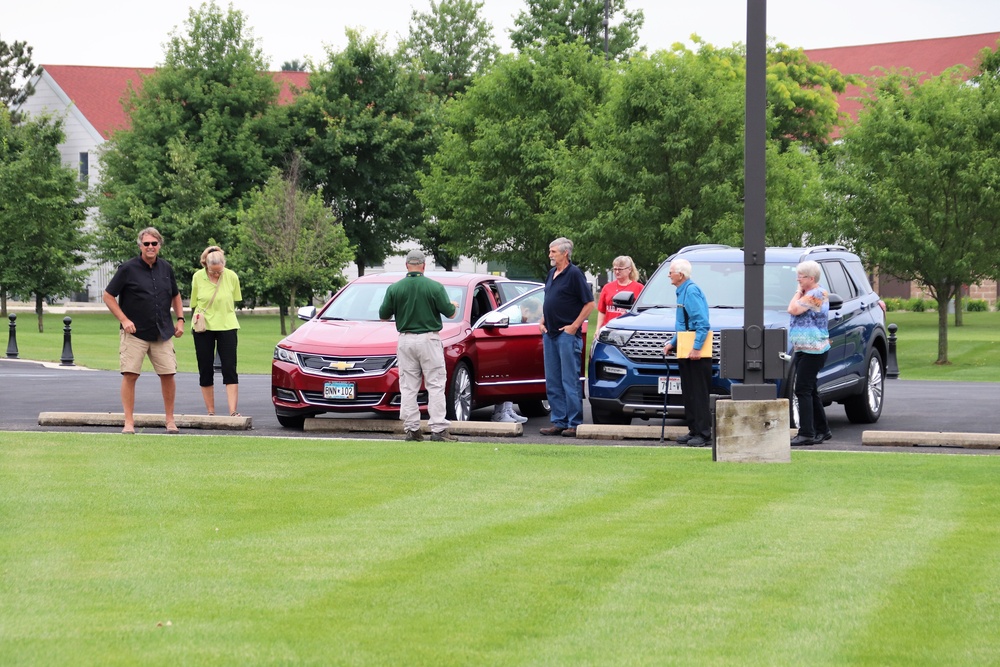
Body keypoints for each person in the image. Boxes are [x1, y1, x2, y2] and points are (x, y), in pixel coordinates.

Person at [102, 227, 185, 434]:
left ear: (159, 246)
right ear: (140, 245)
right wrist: (124, 319)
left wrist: (181, 320)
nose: (150, 247)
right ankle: (129, 422)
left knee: (168, 374)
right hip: (135, 332)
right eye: (146, 243)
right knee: (130, 374)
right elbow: (108, 296)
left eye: (154, 244)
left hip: (162, 331)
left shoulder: (166, 268)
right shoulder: (127, 268)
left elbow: (175, 295)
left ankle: (170, 420)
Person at [379, 249, 459, 442]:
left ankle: (412, 429)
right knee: (435, 384)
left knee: (408, 386)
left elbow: (383, 315)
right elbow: (450, 313)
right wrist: (453, 305)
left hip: (405, 339)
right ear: (424, 266)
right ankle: (439, 429)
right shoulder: (434, 287)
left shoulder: (395, 288)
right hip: (429, 339)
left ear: (407, 265)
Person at [539, 238, 594, 438]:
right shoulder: (552, 274)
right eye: (550, 251)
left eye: (553, 252)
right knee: (552, 380)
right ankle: (559, 421)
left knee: (569, 379)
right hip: (550, 333)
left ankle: (574, 422)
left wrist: (574, 326)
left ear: (565, 253)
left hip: (566, 335)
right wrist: (542, 320)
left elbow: (589, 304)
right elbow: (549, 299)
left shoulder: (574, 274)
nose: (550, 255)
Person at [661, 258, 712, 447]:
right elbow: (684, 324)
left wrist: (697, 347)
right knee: (689, 392)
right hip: (685, 348)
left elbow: (702, 323)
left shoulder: (691, 291)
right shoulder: (682, 291)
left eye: (671, 272)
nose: (669, 275)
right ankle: (694, 430)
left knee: (698, 393)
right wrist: (672, 343)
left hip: (695, 352)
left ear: (680, 275)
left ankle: (704, 433)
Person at [190, 245, 243, 417]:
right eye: (213, 271)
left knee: (229, 368)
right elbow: (193, 303)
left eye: (219, 271)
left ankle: (233, 411)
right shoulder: (197, 277)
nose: (216, 274)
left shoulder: (232, 276)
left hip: (227, 325)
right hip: (203, 327)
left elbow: (235, 299)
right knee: (205, 368)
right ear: (206, 264)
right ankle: (210, 411)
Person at [788, 260, 832, 446]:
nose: (798, 279)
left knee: (802, 390)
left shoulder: (817, 294)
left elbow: (793, 309)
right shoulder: (810, 293)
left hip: (813, 349)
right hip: (803, 348)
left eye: (801, 276)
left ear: (811, 278)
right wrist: (800, 291)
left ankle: (806, 433)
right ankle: (823, 430)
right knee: (811, 390)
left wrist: (798, 291)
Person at [490, 297, 543, 424]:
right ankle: (499, 413)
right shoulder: (513, 318)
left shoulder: (516, 314)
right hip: (499, 352)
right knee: (505, 375)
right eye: (535, 317)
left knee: (510, 374)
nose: (536, 321)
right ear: (526, 310)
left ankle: (507, 409)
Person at [596, 255, 644, 332]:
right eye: (615, 269)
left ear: (629, 269)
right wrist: (598, 329)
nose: (617, 272)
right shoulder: (607, 288)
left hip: (628, 330)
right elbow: (602, 311)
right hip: (609, 329)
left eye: (620, 269)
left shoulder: (639, 288)